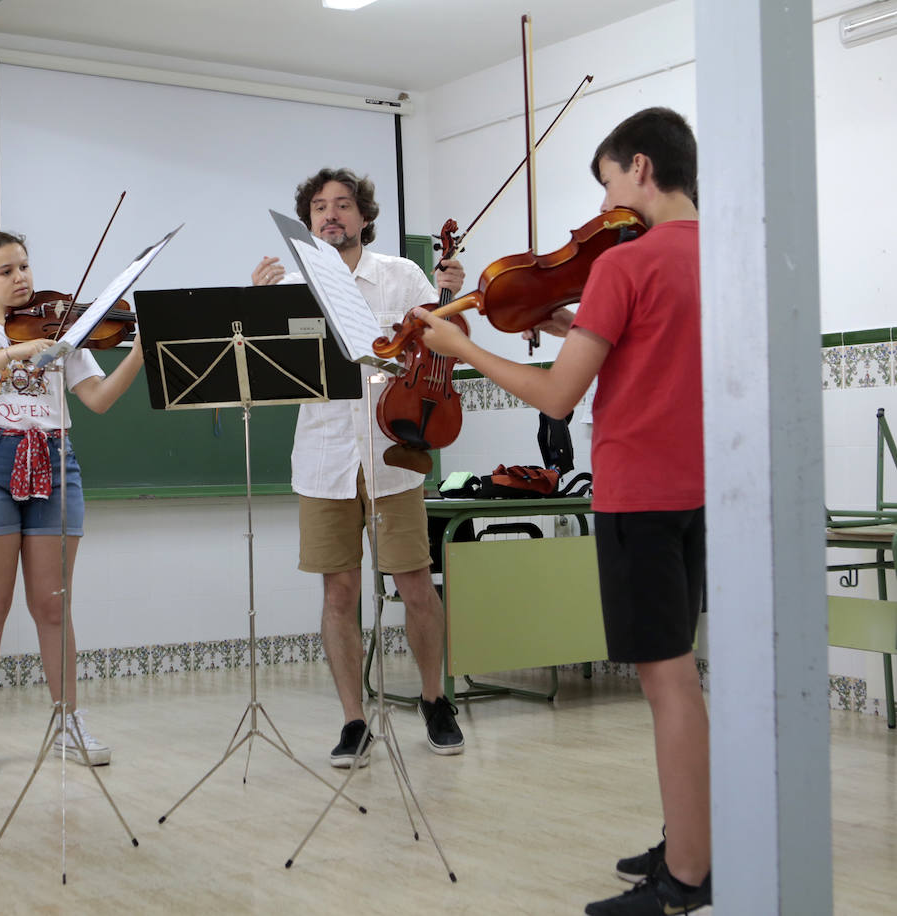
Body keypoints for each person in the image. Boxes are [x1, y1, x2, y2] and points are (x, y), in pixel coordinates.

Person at [410, 107, 709, 915]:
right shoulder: (718, 252)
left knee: (667, 681)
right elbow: (657, 348)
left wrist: (464, 349)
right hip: (699, 491)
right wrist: (576, 324)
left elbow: (556, 394)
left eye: (609, 182)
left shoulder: (626, 262)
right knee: (680, 670)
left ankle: (687, 877)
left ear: (639, 168)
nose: (605, 208)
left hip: (637, 491)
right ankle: (691, 837)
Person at [251, 167, 467, 766]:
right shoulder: (293, 282)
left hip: (392, 450)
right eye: (319, 207)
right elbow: (272, 373)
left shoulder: (401, 275)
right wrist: (259, 307)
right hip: (323, 457)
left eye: (343, 205)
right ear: (310, 220)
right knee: (338, 592)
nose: (331, 215)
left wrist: (451, 295)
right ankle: (353, 720)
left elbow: (440, 347)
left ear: (364, 216)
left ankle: (433, 699)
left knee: (415, 584)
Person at [0, 230, 145, 777]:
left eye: (24, 266)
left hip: (54, 460)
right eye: (6, 271)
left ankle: (68, 723)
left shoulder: (63, 334)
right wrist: (11, 352)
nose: (21, 278)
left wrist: (142, 350)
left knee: (52, 606)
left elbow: (97, 400)